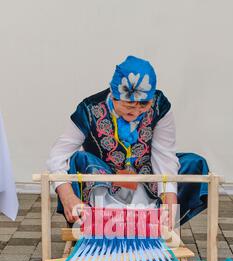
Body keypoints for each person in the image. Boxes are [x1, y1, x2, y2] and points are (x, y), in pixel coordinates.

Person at [47, 55, 209, 229]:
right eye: (129, 105)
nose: (137, 111)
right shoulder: (88, 109)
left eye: (143, 105)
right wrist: (67, 195)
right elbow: (57, 155)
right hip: (104, 185)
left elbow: (164, 154)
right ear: (114, 94)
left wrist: (169, 195)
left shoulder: (159, 105)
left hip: (147, 182)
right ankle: (96, 223)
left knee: (194, 164)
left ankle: (156, 223)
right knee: (79, 159)